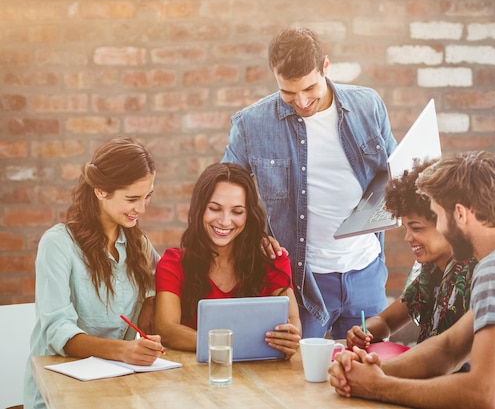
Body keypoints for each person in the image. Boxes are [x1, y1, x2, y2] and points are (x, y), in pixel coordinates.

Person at [329, 151, 495, 408]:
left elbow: (485, 396)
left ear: (460, 213)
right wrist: (371, 370)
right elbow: (448, 348)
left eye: (439, 216)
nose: (443, 228)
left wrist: (378, 387)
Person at [222, 27, 397, 339]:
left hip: (367, 271)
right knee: (294, 377)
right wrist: (256, 234)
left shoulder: (368, 105)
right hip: (301, 279)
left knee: (369, 376)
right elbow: (222, 189)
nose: (301, 102)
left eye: (310, 88)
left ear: (325, 67)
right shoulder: (251, 124)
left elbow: (396, 174)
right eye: (288, 93)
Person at [24, 137, 163, 409]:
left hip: (116, 387)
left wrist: (151, 302)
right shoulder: (58, 244)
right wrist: (125, 351)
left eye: (147, 197)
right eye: (132, 199)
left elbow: (168, 278)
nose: (142, 208)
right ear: (100, 191)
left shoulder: (138, 243)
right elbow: (58, 331)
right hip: (59, 392)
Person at [153, 162, 301, 358]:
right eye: (215, 208)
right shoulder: (174, 263)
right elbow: (167, 329)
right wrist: (231, 345)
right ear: (199, 209)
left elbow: (292, 319)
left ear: (248, 215)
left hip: (263, 374)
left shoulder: (271, 259)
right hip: (195, 377)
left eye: (237, 212)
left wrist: (290, 336)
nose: (224, 221)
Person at [346, 160, 476, 350]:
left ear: (449, 221)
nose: (408, 238)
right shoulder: (431, 272)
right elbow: (386, 321)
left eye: (416, 228)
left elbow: (448, 356)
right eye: (406, 228)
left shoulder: (475, 276)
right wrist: (364, 331)